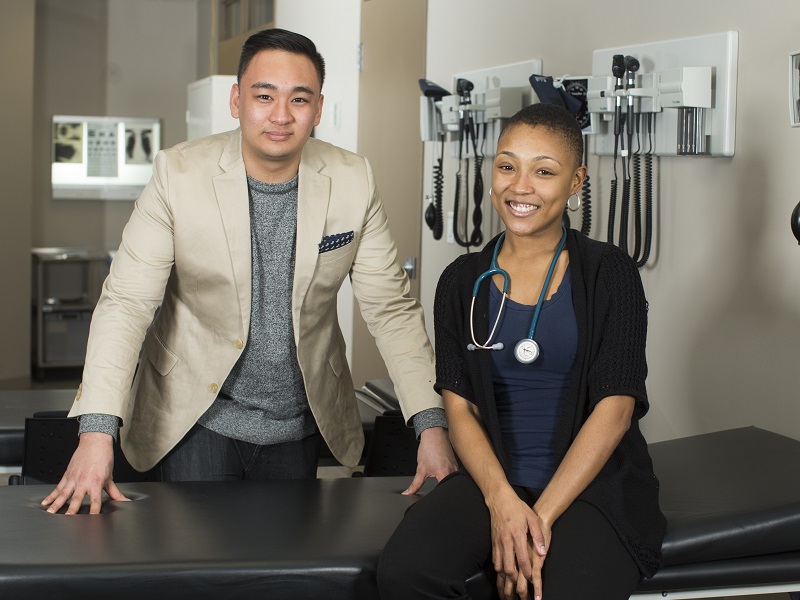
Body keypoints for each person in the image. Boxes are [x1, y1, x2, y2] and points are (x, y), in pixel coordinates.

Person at [42, 28, 456, 516]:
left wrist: (431, 425)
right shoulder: (178, 174)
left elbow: (390, 308)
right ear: (237, 101)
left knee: (284, 560)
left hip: (298, 423)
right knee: (195, 562)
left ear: (318, 109)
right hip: (194, 419)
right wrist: (96, 432)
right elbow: (127, 303)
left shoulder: (353, 179)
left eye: (299, 99)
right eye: (264, 96)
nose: (281, 115)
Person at [377, 103, 666, 600]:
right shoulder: (461, 281)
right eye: (507, 166)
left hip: (590, 487)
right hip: (493, 478)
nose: (520, 186)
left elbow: (616, 409)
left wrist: (538, 520)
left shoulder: (608, 272)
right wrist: (502, 503)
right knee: (407, 572)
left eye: (544, 172)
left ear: (575, 182)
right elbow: (460, 408)